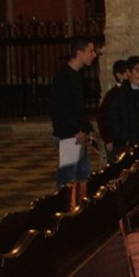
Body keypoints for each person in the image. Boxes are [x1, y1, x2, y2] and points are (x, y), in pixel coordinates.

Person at [50, 38, 97, 187]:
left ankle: (80, 208)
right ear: (79, 53)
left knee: (83, 176)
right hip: (68, 135)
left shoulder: (77, 76)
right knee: (67, 179)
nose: (94, 55)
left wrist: (87, 129)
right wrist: (75, 130)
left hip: (78, 134)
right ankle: (64, 209)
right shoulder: (63, 77)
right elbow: (60, 109)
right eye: (91, 51)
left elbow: (78, 108)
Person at [97, 59, 130, 156]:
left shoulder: (130, 93)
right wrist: (108, 139)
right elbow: (101, 117)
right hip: (117, 142)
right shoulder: (112, 95)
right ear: (119, 75)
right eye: (127, 73)